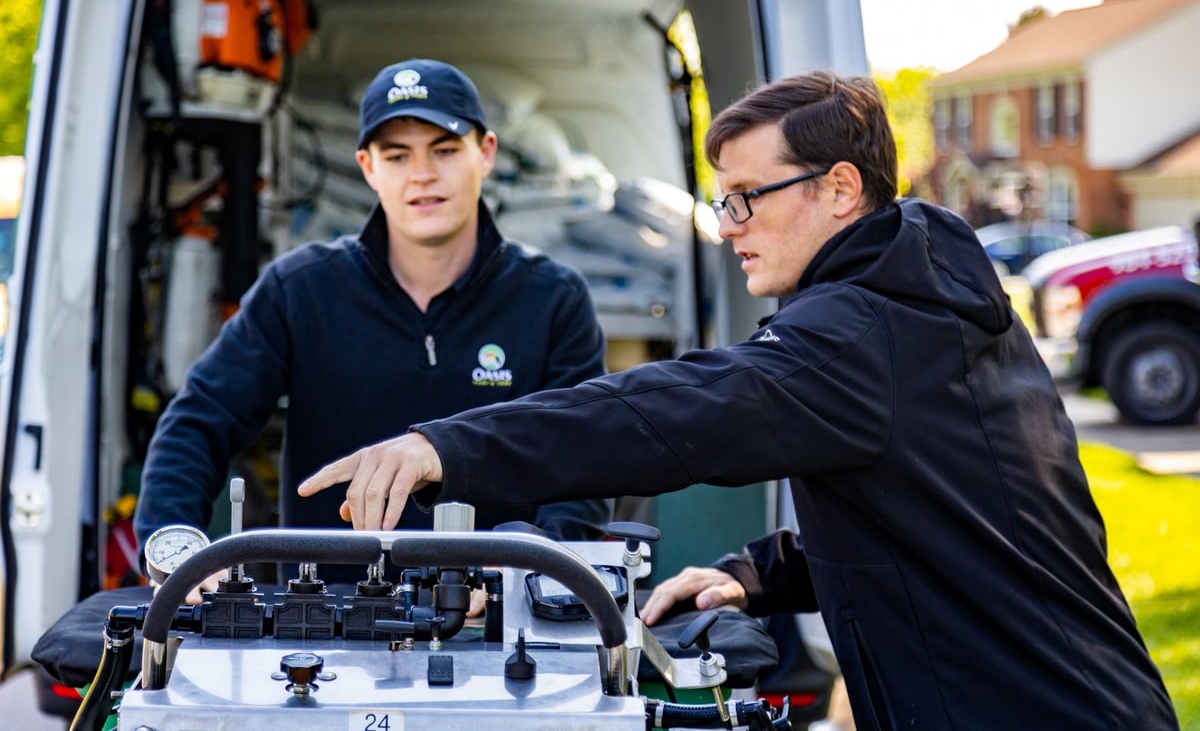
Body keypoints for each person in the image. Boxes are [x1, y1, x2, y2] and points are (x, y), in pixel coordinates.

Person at [299, 71, 1178, 729]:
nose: (727, 227)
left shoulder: (862, 333)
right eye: (723, 201)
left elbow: (673, 408)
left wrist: (443, 450)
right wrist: (755, 574)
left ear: (839, 189)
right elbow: (938, 512)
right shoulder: (918, 302)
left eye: (749, 199)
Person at [134, 58, 613, 593]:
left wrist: (526, 567)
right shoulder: (300, 289)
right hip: (321, 626)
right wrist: (174, 545)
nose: (422, 174)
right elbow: (200, 418)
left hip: (497, 621)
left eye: (445, 150)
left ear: (486, 153)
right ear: (367, 166)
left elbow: (584, 459)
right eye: (397, 154)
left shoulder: (553, 299)